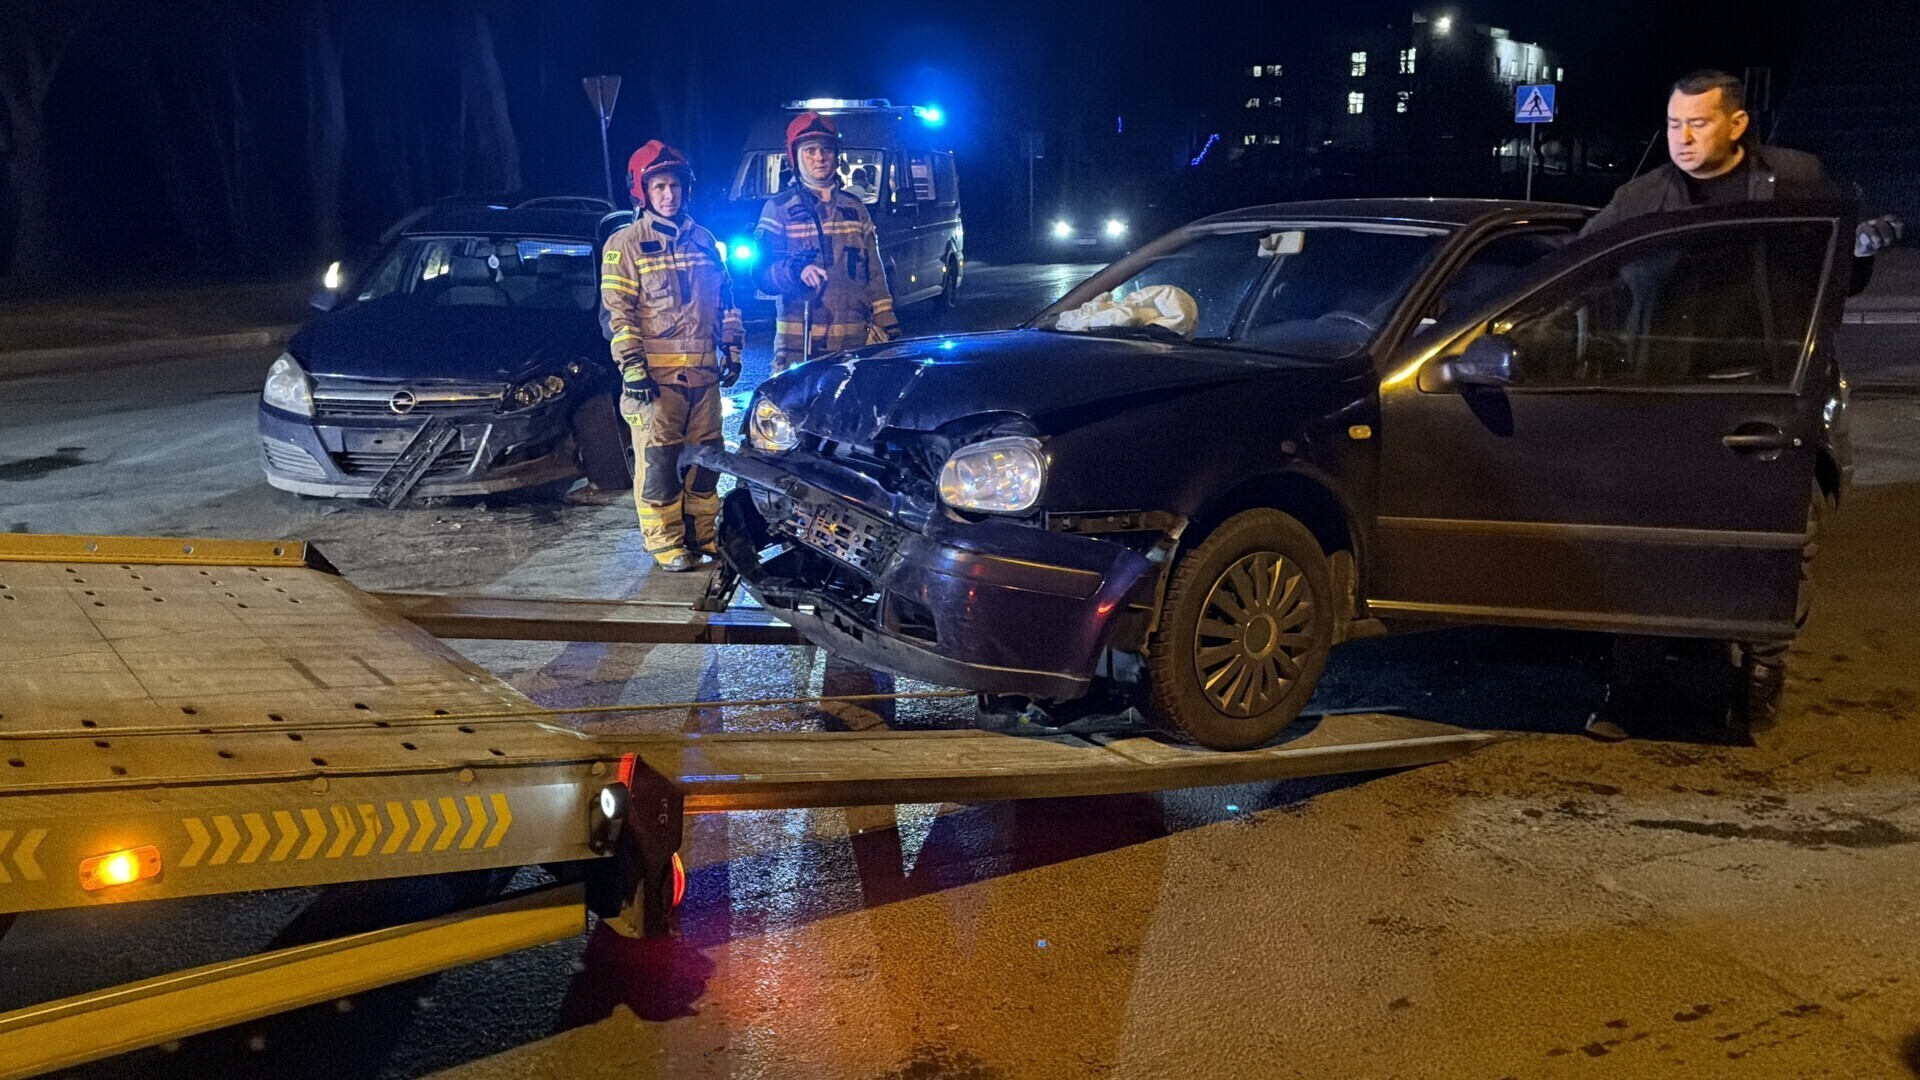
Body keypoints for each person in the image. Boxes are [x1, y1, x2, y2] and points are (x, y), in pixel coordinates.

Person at [1579, 70, 1900, 741]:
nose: (1684, 138)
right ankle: (1630, 691)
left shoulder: (1794, 180)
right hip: (1666, 398)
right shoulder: (1643, 197)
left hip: (1766, 394)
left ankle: (1760, 679)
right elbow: (1580, 266)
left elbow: (1836, 263)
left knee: (1775, 548)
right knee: (1646, 545)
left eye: (1698, 123)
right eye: (1674, 125)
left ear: (1736, 124)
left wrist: (1863, 249)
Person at [600, 140, 745, 572]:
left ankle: (703, 533)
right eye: (659, 186)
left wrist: (733, 350)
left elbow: (727, 303)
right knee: (660, 464)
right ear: (643, 192)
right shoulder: (624, 244)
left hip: (703, 377)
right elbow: (617, 314)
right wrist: (632, 367)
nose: (669, 194)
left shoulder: (704, 241)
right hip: (655, 381)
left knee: (707, 460)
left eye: (675, 185)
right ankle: (664, 541)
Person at [753, 111, 900, 375]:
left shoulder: (855, 209)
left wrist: (886, 323)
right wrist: (794, 272)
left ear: (836, 155)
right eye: (810, 150)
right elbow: (761, 274)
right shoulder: (778, 210)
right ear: (795, 157)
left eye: (826, 150)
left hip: (854, 348)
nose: (819, 157)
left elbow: (875, 274)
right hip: (800, 349)